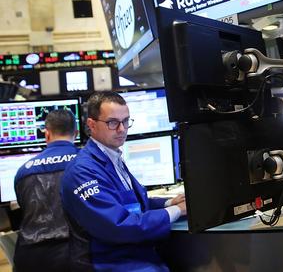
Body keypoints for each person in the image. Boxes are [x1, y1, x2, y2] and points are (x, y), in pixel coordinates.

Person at [61, 92, 186, 271]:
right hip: (108, 262)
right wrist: (177, 210)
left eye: (126, 121)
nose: (122, 129)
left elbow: (131, 203)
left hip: (133, 253)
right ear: (91, 124)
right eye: (113, 122)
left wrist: (169, 202)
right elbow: (118, 225)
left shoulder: (112, 156)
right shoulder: (82, 171)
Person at [13, 109, 79, 272]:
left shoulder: (23, 171)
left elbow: (24, 208)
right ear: (76, 133)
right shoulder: (87, 163)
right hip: (76, 254)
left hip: (31, 259)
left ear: (47, 134)